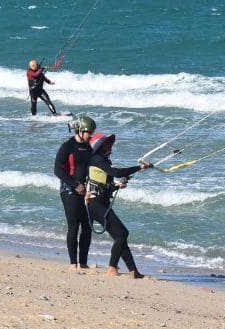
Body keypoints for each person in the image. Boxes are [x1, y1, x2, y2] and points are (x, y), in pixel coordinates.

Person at [85, 132, 153, 278]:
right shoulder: (96, 159)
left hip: (101, 202)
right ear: (100, 147)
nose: (110, 145)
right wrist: (139, 167)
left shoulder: (103, 161)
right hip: (95, 204)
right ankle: (111, 268)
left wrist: (117, 186)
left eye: (110, 143)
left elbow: (102, 183)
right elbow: (115, 172)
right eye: (107, 143)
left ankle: (133, 271)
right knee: (122, 234)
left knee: (120, 236)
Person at [54, 115, 96, 269]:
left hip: (85, 191)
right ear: (79, 130)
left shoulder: (89, 148)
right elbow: (57, 170)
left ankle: (83, 263)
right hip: (68, 190)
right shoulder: (67, 146)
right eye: (88, 132)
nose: (90, 135)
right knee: (74, 225)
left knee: (87, 226)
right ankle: (73, 263)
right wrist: (74, 185)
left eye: (91, 132)